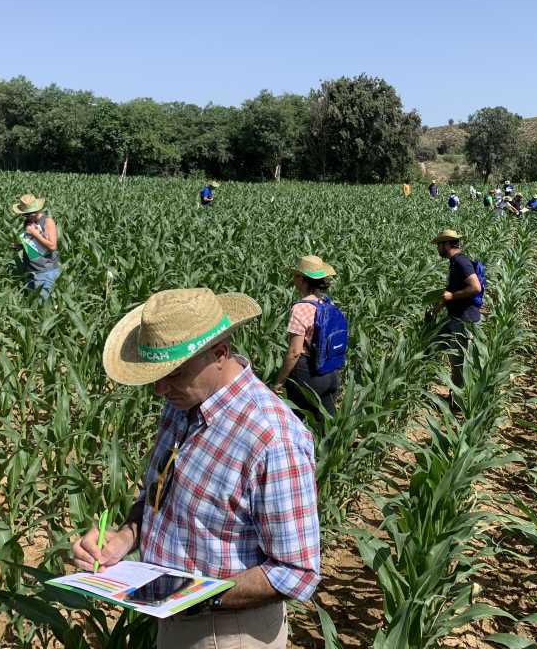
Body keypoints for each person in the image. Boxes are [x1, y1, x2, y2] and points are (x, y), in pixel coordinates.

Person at [71, 288, 320, 649]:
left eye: (173, 373)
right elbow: (160, 496)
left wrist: (197, 599)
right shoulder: (182, 401)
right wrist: (122, 537)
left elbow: (296, 573)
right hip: (174, 616)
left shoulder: (272, 439)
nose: (159, 388)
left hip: (227, 631)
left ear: (219, 355)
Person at [273, 256, 341, 429]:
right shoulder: (327, 302)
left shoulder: (300, 308)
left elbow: (294, 351)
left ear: (301, 279)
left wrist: (279, 381)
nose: (294, 279)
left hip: (308, 373)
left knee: (290, 424)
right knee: (325, 429)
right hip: (332, 372)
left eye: (295, 275)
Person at [429, 230, 482, 398]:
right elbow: (455, 288)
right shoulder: (454, 262)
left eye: (438, 245)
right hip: (453, 317)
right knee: (432, 341)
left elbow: (475, 287)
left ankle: (457, 399)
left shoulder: (461, 262)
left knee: (459, 362)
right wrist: (442, 304)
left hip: (464, 320)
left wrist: (451, 296)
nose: (437, 249)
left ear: (446, 244)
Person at [11, 194, 59, 299]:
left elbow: (52, 246)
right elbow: (35, 245)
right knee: (32, 303)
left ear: (37, 210)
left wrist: (34, 233)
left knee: (42, 306)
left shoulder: (47, 221)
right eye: (25, 215)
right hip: (29, 269)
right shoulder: (27, 222)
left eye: (30, 214)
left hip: (44, 271)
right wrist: (22, 246)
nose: (28, 217)